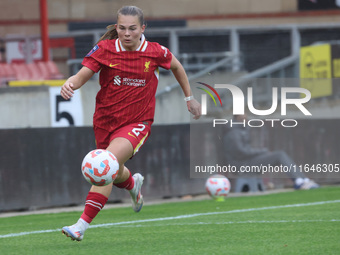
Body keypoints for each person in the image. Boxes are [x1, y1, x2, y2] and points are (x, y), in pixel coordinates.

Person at [60, 6, 201, 241]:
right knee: (114, 171)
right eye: (122, 28)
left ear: (142, 28)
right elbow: (84, 73)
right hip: (105, 121)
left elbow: (176, 66)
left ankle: (81, 226)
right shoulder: (105, 49)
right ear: (117, 28)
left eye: (132, 29)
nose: (127, 33)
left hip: (138, 121)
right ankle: (132, 183)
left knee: (106, 164)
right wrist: (71, 84)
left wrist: (189, 97)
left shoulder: (155, 52)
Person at [223, 114, 319, 190]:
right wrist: (262, 152)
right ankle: (299, 181)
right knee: (279, 155)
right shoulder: (233, 132)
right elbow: (241, 152)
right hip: (242, 166)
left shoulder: (241, 129)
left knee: (279, 155)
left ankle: (302, 179)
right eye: (243, 114)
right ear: (238, 116)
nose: (246, 116)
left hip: (247, 162)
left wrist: (262, 153)